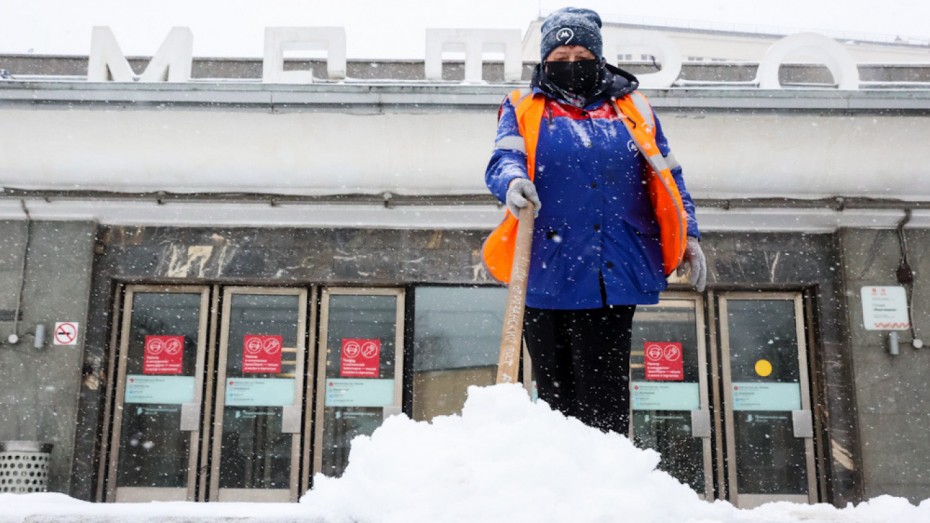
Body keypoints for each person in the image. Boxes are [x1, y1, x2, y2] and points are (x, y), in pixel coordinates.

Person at [482, 7, 706, 435]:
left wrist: (689, 234)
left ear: (599, 58)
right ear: (544, 60)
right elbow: (504, 157)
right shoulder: (522, 106)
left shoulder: (633, 108)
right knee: (555, 396)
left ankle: (608, 486)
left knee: (604, 397)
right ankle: (564, 485)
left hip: (613, 267)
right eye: (560, 56)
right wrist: (512, 182)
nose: (570, 64)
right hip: (545, 265)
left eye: (580, 54)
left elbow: (668, 177)